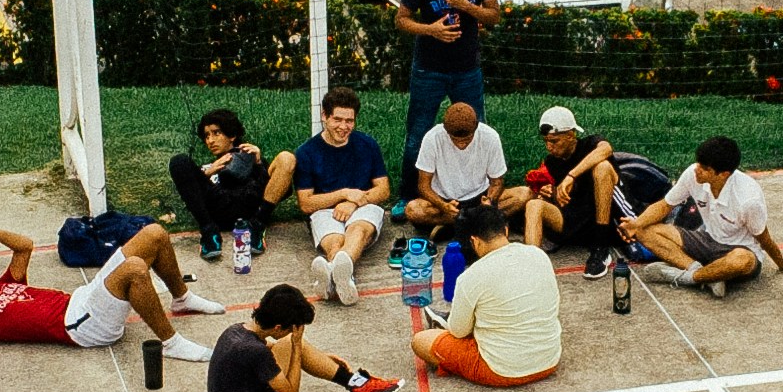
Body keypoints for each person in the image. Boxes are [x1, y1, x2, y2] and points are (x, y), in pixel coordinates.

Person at [0, 225, 220, 358]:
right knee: (135, 268)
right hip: (80, 326)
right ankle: (171, 343)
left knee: (154, 234)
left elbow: (24, 246)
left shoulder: (7, 284)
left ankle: (182, 299)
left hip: (84, 298)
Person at [208, 284, 434, 392]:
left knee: (291, 345)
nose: (293, 334)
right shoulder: (256, 353)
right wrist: (297, 345)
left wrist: (317, 357)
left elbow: (271, 348)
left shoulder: (237, 330)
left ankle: (356, 384)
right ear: (277, 326)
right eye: (291, 329)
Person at [628, 135, 783, 298]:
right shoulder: (693, 173)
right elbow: (665, 205)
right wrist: (634, 225)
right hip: (706, 239)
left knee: (741, 260)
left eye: (705, 168)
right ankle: (708, 275)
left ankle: (686, 277)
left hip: (739, 250)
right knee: (643, 230)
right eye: (698, 163)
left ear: (723, 174)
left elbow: (764, 238)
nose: (697, 170)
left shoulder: (748, 200)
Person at [265, 88, 391, 305]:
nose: (343, 127)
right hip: (325, 210)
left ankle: (333, 277)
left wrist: (352, 203)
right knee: (335, 243)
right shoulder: (306, 152)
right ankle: (343, 278)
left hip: (363, 205)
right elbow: (306, 204)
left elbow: (383, 189)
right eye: (337, 119)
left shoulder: (367, 144)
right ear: (324, 116)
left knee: (358, 230)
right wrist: (343, 194)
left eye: (349, 121)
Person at [411, 204, 560, 387]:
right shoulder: (538, 254)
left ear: (475, 241)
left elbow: (458, 331)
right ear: (506, 230)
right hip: (549, 360)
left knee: (421, 340)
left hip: (501, 370)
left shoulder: (472, 275)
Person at [394, 0, 501, 163]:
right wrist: (431, 30)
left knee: (476, 128)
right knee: (418, 134)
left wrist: (466, 5)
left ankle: (480, 182)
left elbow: (494, 16)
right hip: (428, 69)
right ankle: (410, 185)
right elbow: (401, 19)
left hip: (467, 69)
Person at [167, 106, 270, 273]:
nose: (210, 140)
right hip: (218, 212)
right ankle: (209, 234)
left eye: (216, 133)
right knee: (179, 161)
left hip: (248, 211)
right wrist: (209, 172)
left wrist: (258, 163)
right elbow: (191, 192)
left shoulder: (252, 161)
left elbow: (274, 189)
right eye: (207, 136)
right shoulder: (208, 168)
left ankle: (257, 228)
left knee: (284, 160)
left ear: (232, 135)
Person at [511, 105, 620, 258]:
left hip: (602, 220)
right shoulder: (552, 162)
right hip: (573, 221)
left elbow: (606, 149)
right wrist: (552, 193)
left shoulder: (590, 144)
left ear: (570, 135)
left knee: (602, 167)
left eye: (554, 141)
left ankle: (601, 246)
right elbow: (565, 199)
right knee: (533, 204)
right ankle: (532, 260)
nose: (549, 147)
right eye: (546, 141)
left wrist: (572, 175)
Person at [401, 97, 506, 241]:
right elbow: (423, 185)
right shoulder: (432, 138)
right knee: (413, 210)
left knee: (522, 195)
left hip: (479, 198)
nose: (461, 144)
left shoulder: (490, 137)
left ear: (476, 127)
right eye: (455, 140)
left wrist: (489, 202)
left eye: (467, 139)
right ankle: (473, 224)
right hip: (445, 201)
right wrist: (443, 206)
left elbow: (497, 182)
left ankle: (456, 224)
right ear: (445, 129)